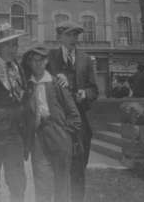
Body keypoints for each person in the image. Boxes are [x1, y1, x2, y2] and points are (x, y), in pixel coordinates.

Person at [21, 45, 81, 202]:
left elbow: (75, 115)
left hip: (59, 137)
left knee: (62, 184)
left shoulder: (56, 84)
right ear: (29, 63)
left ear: (46, 62)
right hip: (38, 138)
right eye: (33, 61)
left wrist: (65, 133)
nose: (37, 64)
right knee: (42, 183)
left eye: (41, 60)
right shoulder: (28, 86)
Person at [47, 21, 98, 202]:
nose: (73, 39)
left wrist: (85, 93)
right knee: (59, 167)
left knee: (79, 167)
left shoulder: (85, 59)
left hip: (80, 120)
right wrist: (54, 78)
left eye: (75, 35)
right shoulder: (49, 57)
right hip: (58, 121)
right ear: (59, 37)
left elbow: (94, 89)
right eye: (68, 35)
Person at [0, 23, 27, 202]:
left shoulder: (19, 68)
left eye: (15, 44)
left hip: (15, 134)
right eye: (8, 45)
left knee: (17, 181)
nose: (12, 49)